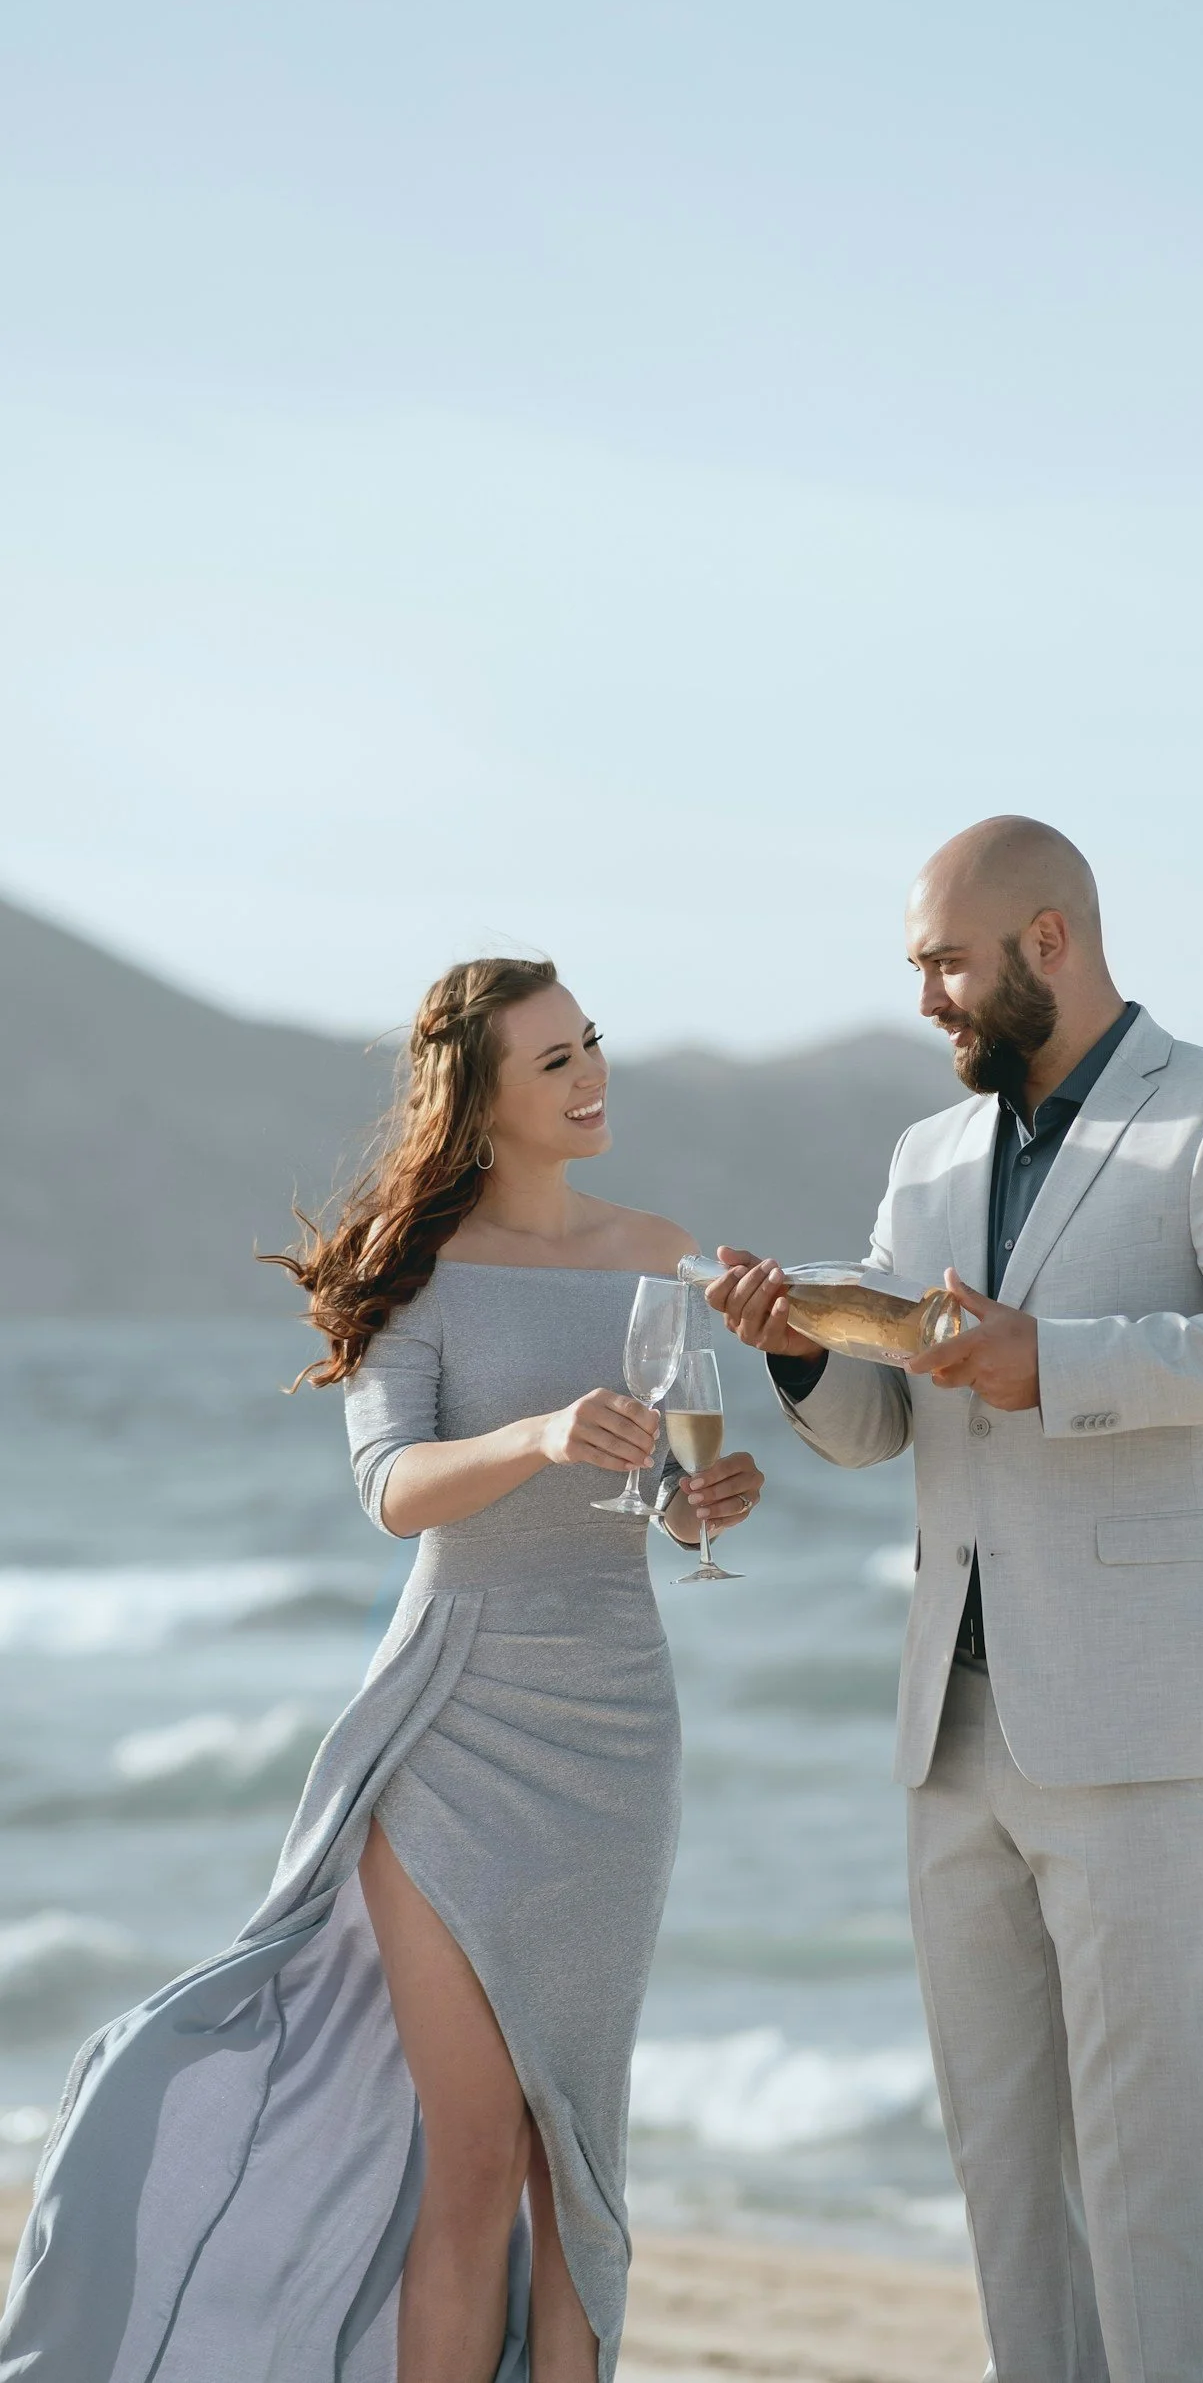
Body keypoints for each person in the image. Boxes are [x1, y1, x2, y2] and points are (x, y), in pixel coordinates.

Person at [1, 956, 764, 2383]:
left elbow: (650, 1472)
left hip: (617, 1728)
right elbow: (394, 1487)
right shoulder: (410, 1273)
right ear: (479, 1099)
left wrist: (690, 1502)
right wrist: (538, 1435)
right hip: (451, 1721)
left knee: (579, 2158)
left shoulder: (658, 1250)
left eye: (591, 1044)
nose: (593, 1075)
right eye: (554, 1062)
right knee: (474, 2160)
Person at [710, 818, 1203, 2383]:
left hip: (1147, 1728)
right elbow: (884, 1430)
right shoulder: (925, 1161)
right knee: (1006, 2180)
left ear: (1049, 941)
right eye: (918, 964)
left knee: (1153, 2178)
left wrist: (1053, 1357)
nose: (928, 992)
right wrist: (798, 1346)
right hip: (956, 1730)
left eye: (948, 959)